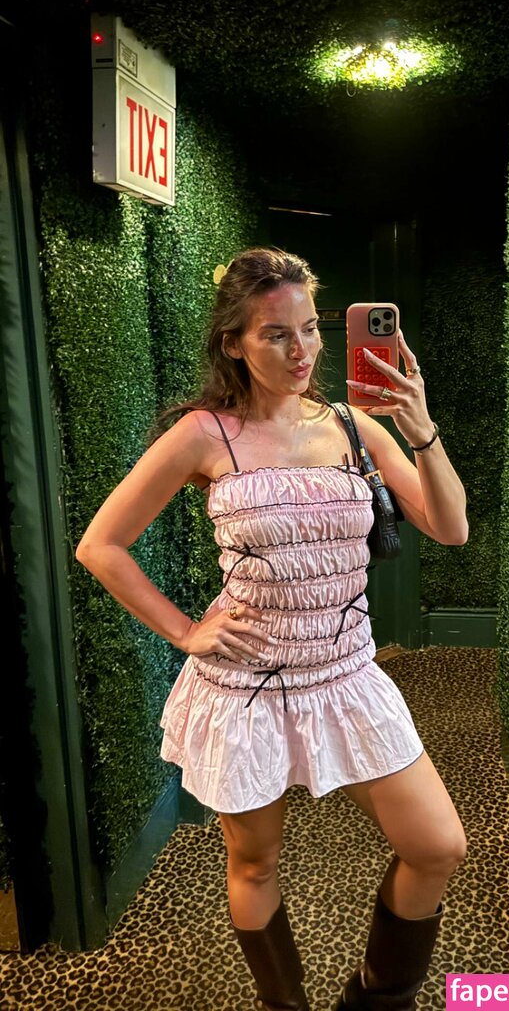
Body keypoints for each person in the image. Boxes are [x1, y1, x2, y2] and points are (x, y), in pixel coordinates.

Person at [76, 247, 469, 1011]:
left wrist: (421, 431)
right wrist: (183, 631)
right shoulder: (205, 435)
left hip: (347, 677)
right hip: (248, 688)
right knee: (255, 863)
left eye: (310, 329)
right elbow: (101, 545)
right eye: (276, 334)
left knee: (437, 846)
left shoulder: (355, 427)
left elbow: (450, 528)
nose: (301, 350)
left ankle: (374, 1001)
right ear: (233, 342)